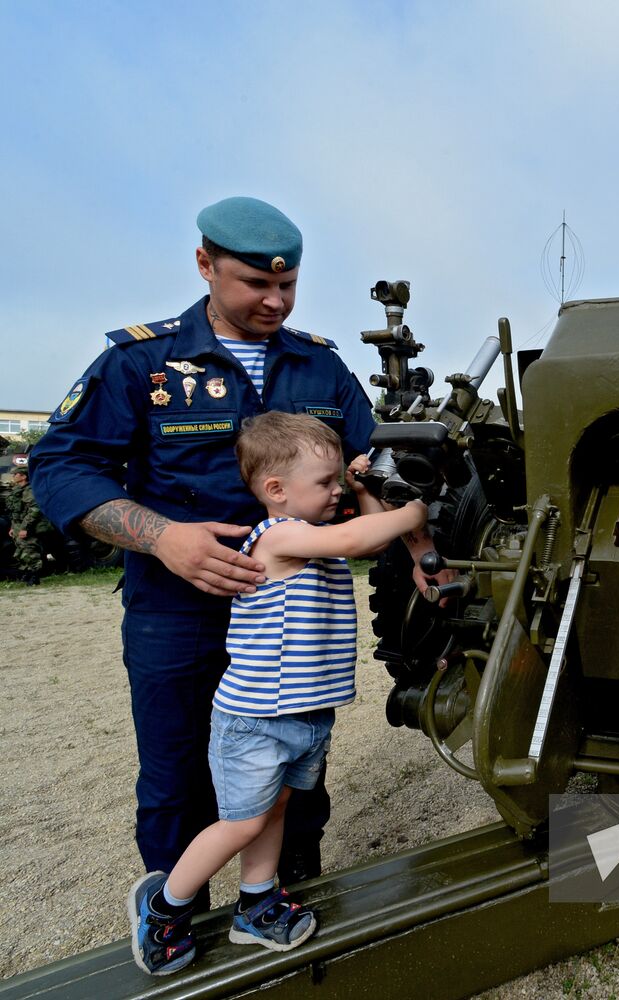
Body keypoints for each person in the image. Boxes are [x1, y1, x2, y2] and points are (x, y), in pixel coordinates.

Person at [31, 196, 448, 899]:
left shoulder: (319, 367)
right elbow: (61, 467)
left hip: (295, 617)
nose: (275, 299)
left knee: (292, 770)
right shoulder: (143, 362)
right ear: (204, 264)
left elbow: (377, 463)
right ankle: (173, 919)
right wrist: (163, 537)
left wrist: (419, 551)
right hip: (180, 608)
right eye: (256, 283)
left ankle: (283, 897)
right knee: (176, 775)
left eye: (287, 284)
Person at [129, 412, 431, 974]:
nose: (336, 489)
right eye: (325, 482)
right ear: (276, 491)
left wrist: (366, 491)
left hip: (304, 713)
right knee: (242, 820)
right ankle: (164, 907)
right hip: (257, 718)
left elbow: (361, 544)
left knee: (275, 812)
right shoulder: (281, 536)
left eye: (339, 479)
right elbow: (354, 538)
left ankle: (256, 901)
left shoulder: (314, 535)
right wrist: (410, 513)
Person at [5, 468, 53, 585]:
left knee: (30, 551)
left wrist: (25, 528)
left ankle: (35, 576)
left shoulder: (30, 491)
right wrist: (13, 527)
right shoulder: (17, 490)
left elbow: (34, 510)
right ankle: (27, 573)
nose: (13, 476)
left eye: (16, 474)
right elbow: (15, 512)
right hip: (18, 525)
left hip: (28, 526)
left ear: (23, 476)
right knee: (21, 551)